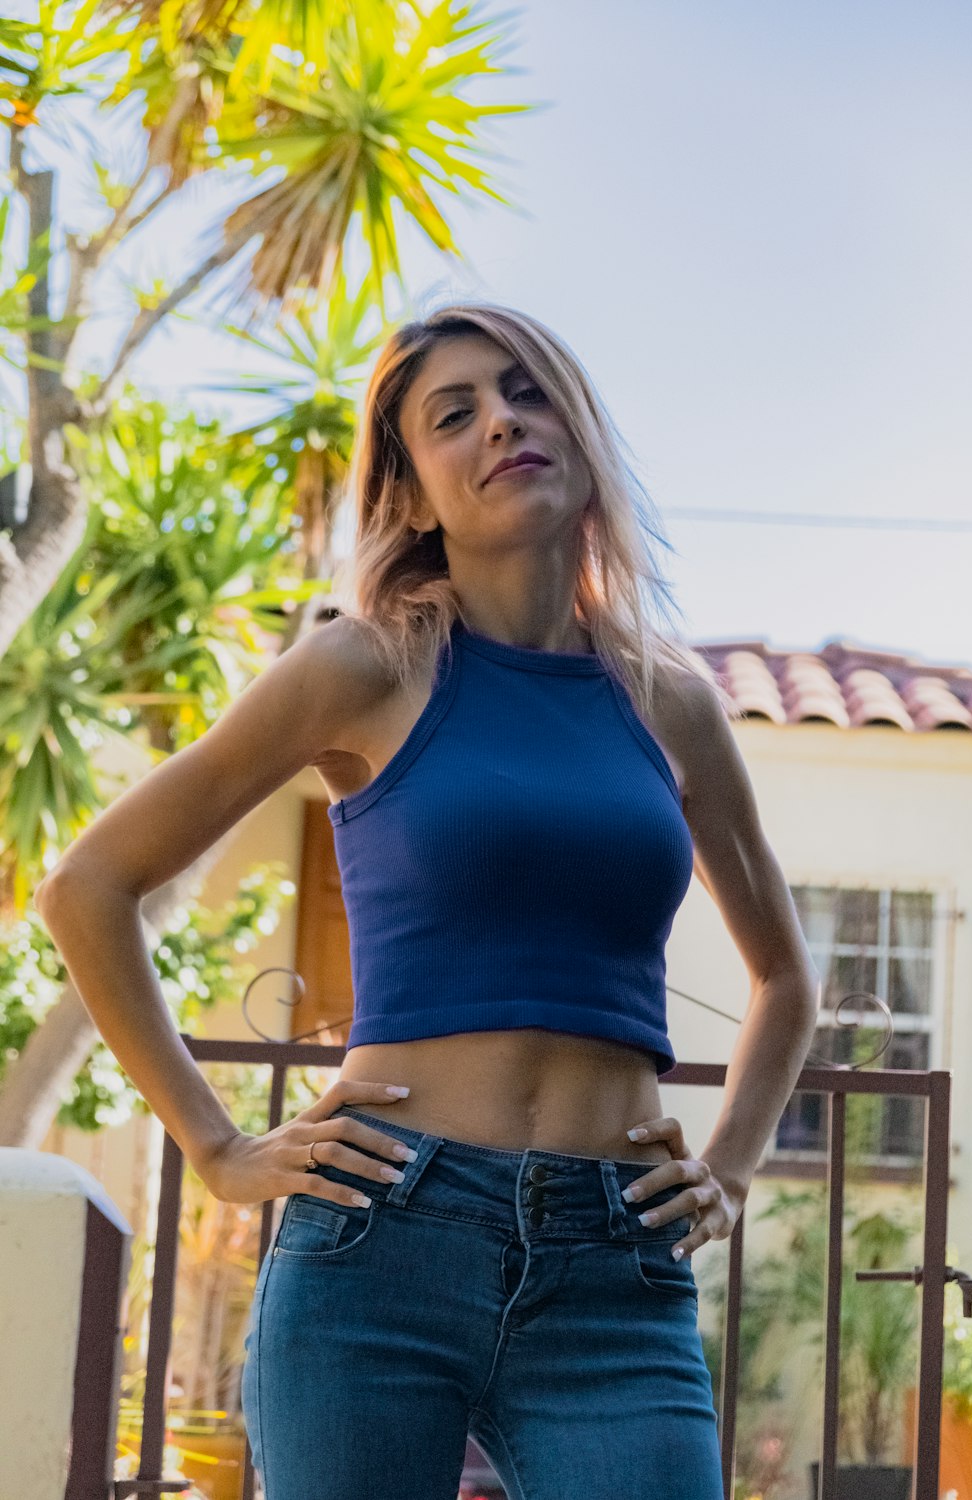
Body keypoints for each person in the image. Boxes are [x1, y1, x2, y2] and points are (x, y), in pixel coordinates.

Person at [37, 301, 821, 1500]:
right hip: (380, 1241)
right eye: (453, 414)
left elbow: (782, 977)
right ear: (412, 492)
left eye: (525, 391)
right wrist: (216, 1145)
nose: (501, 421)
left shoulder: (672, 705)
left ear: (577, 426)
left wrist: (729, 1166)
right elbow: (88, 884)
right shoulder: (365, 666)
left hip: (615, 1263)